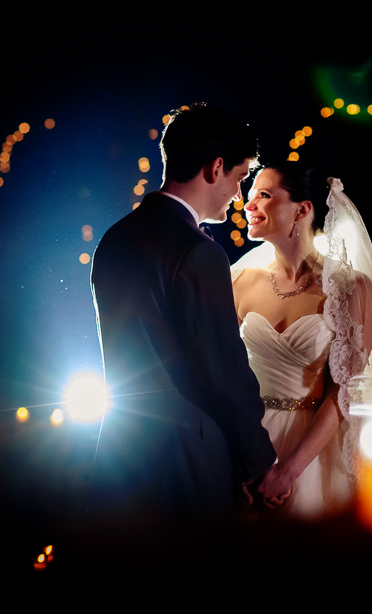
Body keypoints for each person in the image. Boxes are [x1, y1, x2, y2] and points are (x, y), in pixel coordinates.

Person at [89, 103, 281, 526]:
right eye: (239, 177)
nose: (237, 193)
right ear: (215, 168)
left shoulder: (114, 239)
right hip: (188, 462)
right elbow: (223, 371)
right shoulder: (199, 251)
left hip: (118, 453)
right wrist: (259, 462)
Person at [231, 162, 372, 519]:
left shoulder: (351, 288)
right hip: (247, 443)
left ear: (302, 209)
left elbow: (346, 390)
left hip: (310, 450)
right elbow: (224, 375)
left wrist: (288, 471)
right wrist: (239, 458)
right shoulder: (239, 282)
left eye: (263, 196)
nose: (249, 206)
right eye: (250, 197)